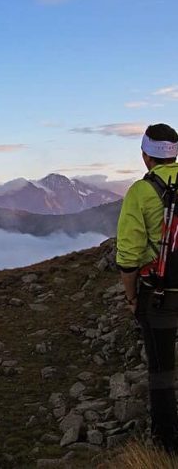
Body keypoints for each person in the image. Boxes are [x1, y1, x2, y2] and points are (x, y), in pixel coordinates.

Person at [116, 123, 178, 453]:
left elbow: (128, 254)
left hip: (160, 295)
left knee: (162, 370)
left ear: (145, 156)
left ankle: (166, 444)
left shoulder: (140, 193)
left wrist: (131, 297)